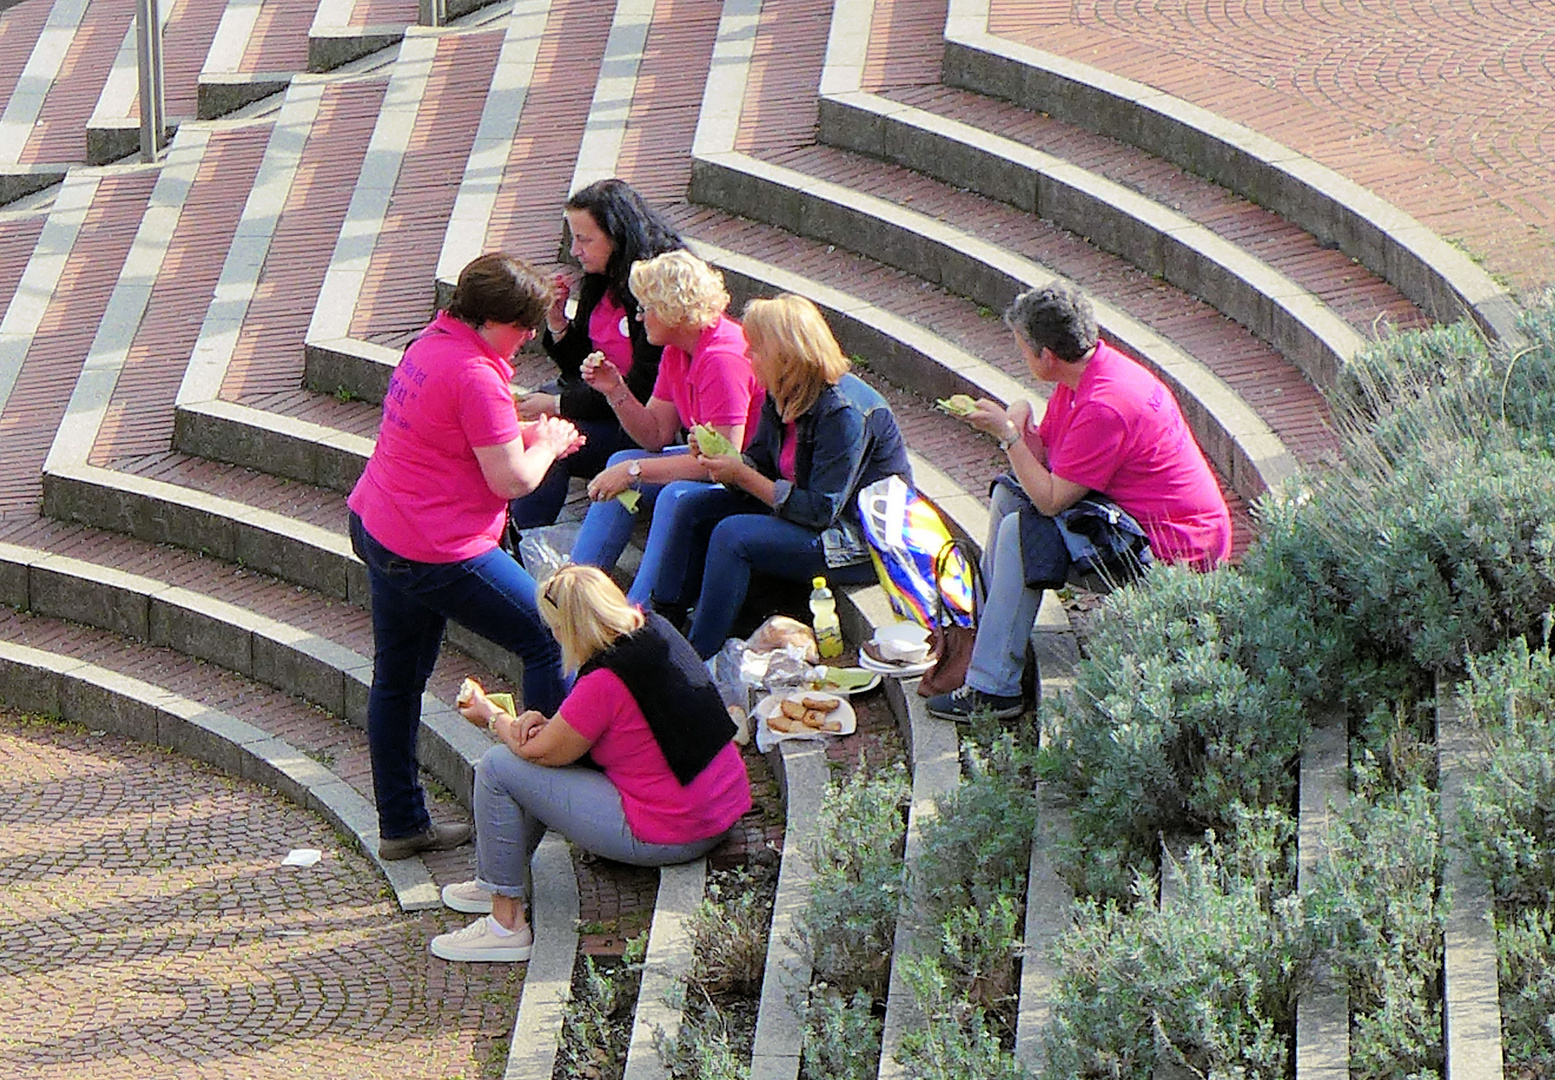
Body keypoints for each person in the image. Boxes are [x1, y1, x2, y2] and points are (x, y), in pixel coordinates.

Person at [347, 253, 584, 861]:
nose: (530, 336)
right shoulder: (476, 373)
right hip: (434, 546)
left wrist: (529, 437)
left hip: (382, 523)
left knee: (396, 680)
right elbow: (510, 481)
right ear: (491, 319)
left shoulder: (432, 342)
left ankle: (402, 823)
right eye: (523, 325)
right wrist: (550, 443)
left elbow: (468, 437)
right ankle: (547, 790)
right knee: (547, 633)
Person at [927, 280, 1232, 721]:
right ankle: (994, 635)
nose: (1022, 357)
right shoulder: (1085, 377)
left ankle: (994, 690)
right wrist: (1024, 429)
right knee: (1009, 498)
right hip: (1138, 522)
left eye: (1023, 350)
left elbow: (1051, 501)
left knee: (1021, 531)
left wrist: (1009, 437)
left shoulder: (1105, 406)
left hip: (1172, 553)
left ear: (1046, 356)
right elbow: (1046, 468)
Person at [429, 564, 752, 962]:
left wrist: (490, 714)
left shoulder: (604, 680)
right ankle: (498, 878)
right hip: (720, 804)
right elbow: (599, 730)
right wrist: (547, 727)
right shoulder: (652, 628)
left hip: (677, 828)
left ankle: (506, 924)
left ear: (571, 626)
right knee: (522, 762)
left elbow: (539, 753)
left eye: (556, 627)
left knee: (498, 767)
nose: (554, 635)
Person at [632, 293, 912, 658]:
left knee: (734, 536)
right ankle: (664, 621)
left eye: (755, 350)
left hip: (853, 537)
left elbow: (820, 511)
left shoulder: (844, 412)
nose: (748, 358)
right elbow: (760, 463)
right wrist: (723, 460)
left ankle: (695, 655)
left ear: (784, 353)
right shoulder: (782, 393)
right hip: (805, 515)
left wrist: (743, 476)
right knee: (691, 506)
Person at [568, 250, 763, 577]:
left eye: (645, 308)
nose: (639, 318)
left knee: (672, 494)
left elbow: (725, 460)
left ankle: (643, 604)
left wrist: (634, 471)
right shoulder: (677, 349)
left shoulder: (722, 358)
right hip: (715, 464)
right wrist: (616, 389)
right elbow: (655, 434)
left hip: (751, 476)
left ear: (673, 309)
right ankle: (575, 584)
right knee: (620, 463)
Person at [507, 179, 685, 530]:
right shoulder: (600, 277)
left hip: (638, 421)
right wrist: (558, 324)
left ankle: (524, 541)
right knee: (529, 421)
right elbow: (582, 368)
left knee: (552, 440)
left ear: (616, 237)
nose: (575, 250)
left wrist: (558, 406)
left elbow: (643, 388)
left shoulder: (654, 296)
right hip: (602, 400)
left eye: (584, 239)